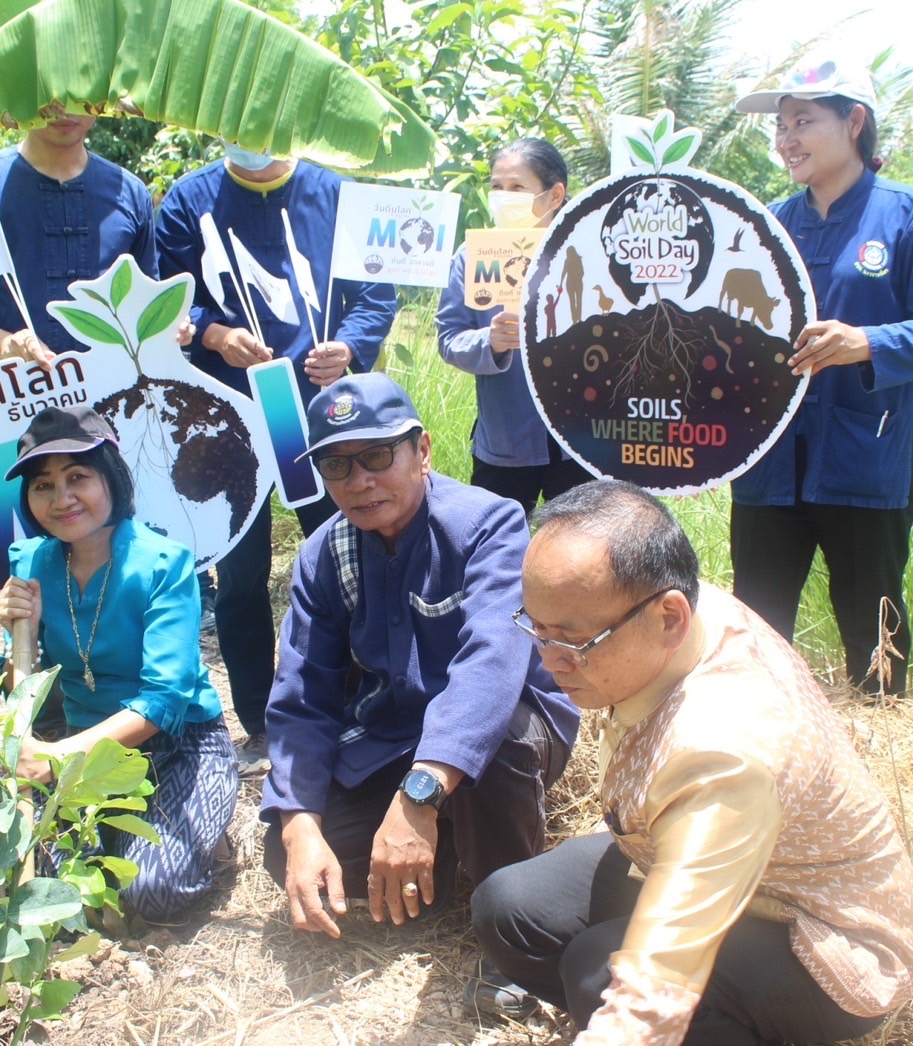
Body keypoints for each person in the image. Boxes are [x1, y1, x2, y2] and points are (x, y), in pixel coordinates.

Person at [473, 479, 913, 1044]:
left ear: (669, 617)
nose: (549, 659)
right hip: (713, 862)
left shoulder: (723, 747)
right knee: (511, 908)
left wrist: (620, 1024)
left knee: (597, 973)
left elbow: (652, 995)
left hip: (822, 934)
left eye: (574, 641)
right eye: (537, 628)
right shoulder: (674, 608)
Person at [259, 372, 578, 1009]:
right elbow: (302, 698)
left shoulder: (489, 523)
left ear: (422, 450)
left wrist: (420, 796)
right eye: (337, 465)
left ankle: (510, 936)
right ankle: (450, 851)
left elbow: (493, 664)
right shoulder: (323, 555)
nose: (359, 481)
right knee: (293, 854)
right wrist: (298, 825)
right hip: (391, 735)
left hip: (499, 726)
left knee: (499, 746)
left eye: (378, 456)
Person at [726, 59, 913, 697]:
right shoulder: (766, 225)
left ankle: (885, 741)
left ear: (855, 122)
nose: (786, 140)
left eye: (803, 122)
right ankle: (764, 743)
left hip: (867, 457)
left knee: (873, 631)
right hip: (770, 464)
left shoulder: (911, 216)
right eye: (781, 126)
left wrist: (866, 343)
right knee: (756, 629)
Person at [156, 144, 398, 773]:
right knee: (240, 575)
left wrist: (348, 347)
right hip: (225, 418)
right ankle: (261, 722)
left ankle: (360, 702)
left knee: (350, 554)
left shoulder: (339, 196)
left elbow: (376, 291)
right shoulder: (186, 201)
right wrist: (214, 335)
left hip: (322, 414)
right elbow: (169, 299)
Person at [0, 406, 237, 924]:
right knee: (51, 892)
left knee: (151, 893)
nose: (61, 499)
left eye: (77, 477)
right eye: (43, 485)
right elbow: (24, 687)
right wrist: (19, 634)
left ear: (111, 476)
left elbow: (165, 700)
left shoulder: (164, 563)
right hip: (82, 740)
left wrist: (55, 759)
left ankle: (208, 833)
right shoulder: (31, 563)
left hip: (177, 744)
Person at [0, 116, 159, 372]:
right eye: (51, 98)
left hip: (116, 390)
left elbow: (148, 301)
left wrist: (174, 327)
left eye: (78, 98)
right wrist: (6, 344)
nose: (65, 110)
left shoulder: (131, 194)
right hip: (16, 393)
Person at [436, 138, 592, 513]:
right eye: (497, 187)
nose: (505, 198)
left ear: (555, 195)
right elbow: (449, 338)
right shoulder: (473, 257)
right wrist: (491, 342)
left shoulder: (587, 252)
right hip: (505, 446)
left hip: (581, 441)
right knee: (498, 543)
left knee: (582, 543)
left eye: (518, 188)